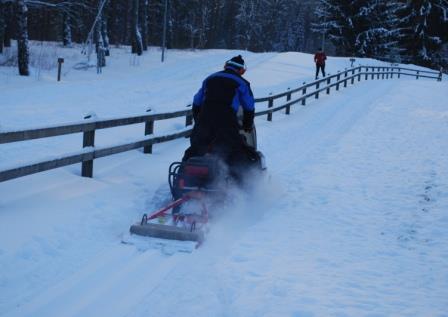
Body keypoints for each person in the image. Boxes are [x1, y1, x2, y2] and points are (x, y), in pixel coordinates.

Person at [182, 55, 259, 176]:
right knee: (234, 149)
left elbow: (197, 101)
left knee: (197, 147)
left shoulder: (210, 78)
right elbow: (249, 106)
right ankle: (240, 182)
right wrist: (247, 124)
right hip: (226, 120)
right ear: (240, 70)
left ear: (226, 66)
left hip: (205, 118)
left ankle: (183, 177)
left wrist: (199, 120)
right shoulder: (242, 83)